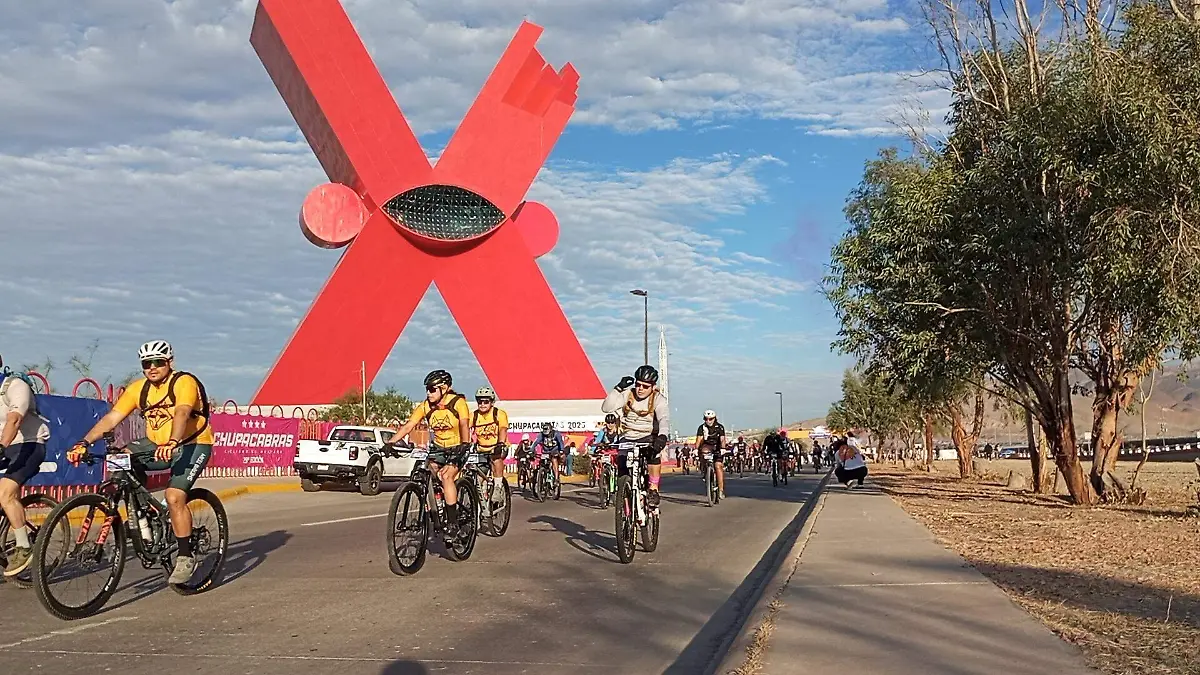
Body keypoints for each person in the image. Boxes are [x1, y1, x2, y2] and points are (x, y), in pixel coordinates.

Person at [68, 341, 214, 584]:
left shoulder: (184, 382)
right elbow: (112, 418)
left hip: (192, 443)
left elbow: (181, 412)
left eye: (158, 362)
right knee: (121, 459)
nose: (152, 367)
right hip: (156, 444)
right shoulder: (138, 389)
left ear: (170, 362)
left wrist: (172, 442)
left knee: (174, 497)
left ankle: (186, 556)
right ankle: (144, 515)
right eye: (147, 364)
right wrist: (83, 443)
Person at [384, 370, 471, 534]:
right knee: (428, 472)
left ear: (444, 388)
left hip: (458, 446)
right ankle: (439, 503)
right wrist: (391, 442)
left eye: (432, 389)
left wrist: (465, 443)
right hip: (438, 447)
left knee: (446, 476)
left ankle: (452, 521)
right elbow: (409, 426)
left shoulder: (458, 402)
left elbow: (464, 424)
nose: (428, 393)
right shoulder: (425, 406)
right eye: (427, 389)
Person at [0, 355, 51, 576]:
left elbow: (14, 419)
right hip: (7, 448)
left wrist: (1, 446)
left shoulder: (15, 385)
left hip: (29, 445)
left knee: (5, 494)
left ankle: (24, 546)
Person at [601, 365, 669, 508]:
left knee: (653, 456)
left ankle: (653, 489)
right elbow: (606, 408)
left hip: (648, 436)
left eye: (645, 386)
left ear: (653, 387)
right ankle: (625, 495)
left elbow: (663, 419)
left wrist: (662, 437)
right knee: (622, 465)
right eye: (638, 384)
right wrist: (618, 388)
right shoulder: (628, 395)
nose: (640, 389)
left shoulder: (658, 399)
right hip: (628, 436)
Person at [469, 386, 509, 493]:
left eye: (486, 402)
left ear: (491, 402)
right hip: (481, 448)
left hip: (498, 446)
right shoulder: (474, 415)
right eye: (480, 402)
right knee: (478, 475)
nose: (482, 404)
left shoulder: (499, 414)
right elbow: (465, 429)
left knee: (496, 459)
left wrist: (500, 443)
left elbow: (503, 429)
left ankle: (498, 487)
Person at [694, 410, 727, 499]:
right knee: (703, 453)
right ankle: (705, 471)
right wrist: (696, 449)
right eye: (706, 419)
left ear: (714, 418)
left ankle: (720, 490)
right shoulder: (702, 428)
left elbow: (722, 439)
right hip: (707, 446)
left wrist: (723, 448)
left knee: (718, 466)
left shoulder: (720, 427)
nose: (708, 421)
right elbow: (699, 439)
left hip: (717, 447)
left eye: (710, 419)